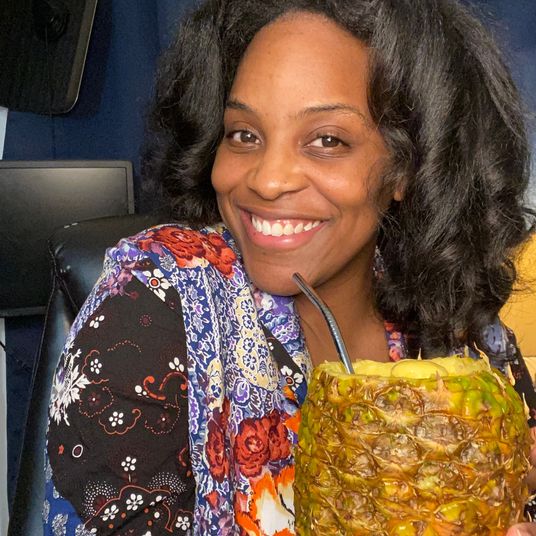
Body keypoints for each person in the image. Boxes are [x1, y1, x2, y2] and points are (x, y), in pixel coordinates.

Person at [43, 0, 536, 534]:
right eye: (244, 134)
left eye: (327, 140)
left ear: (406, 168)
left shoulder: (460, 327)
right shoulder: (152, 305)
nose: (268, 179)